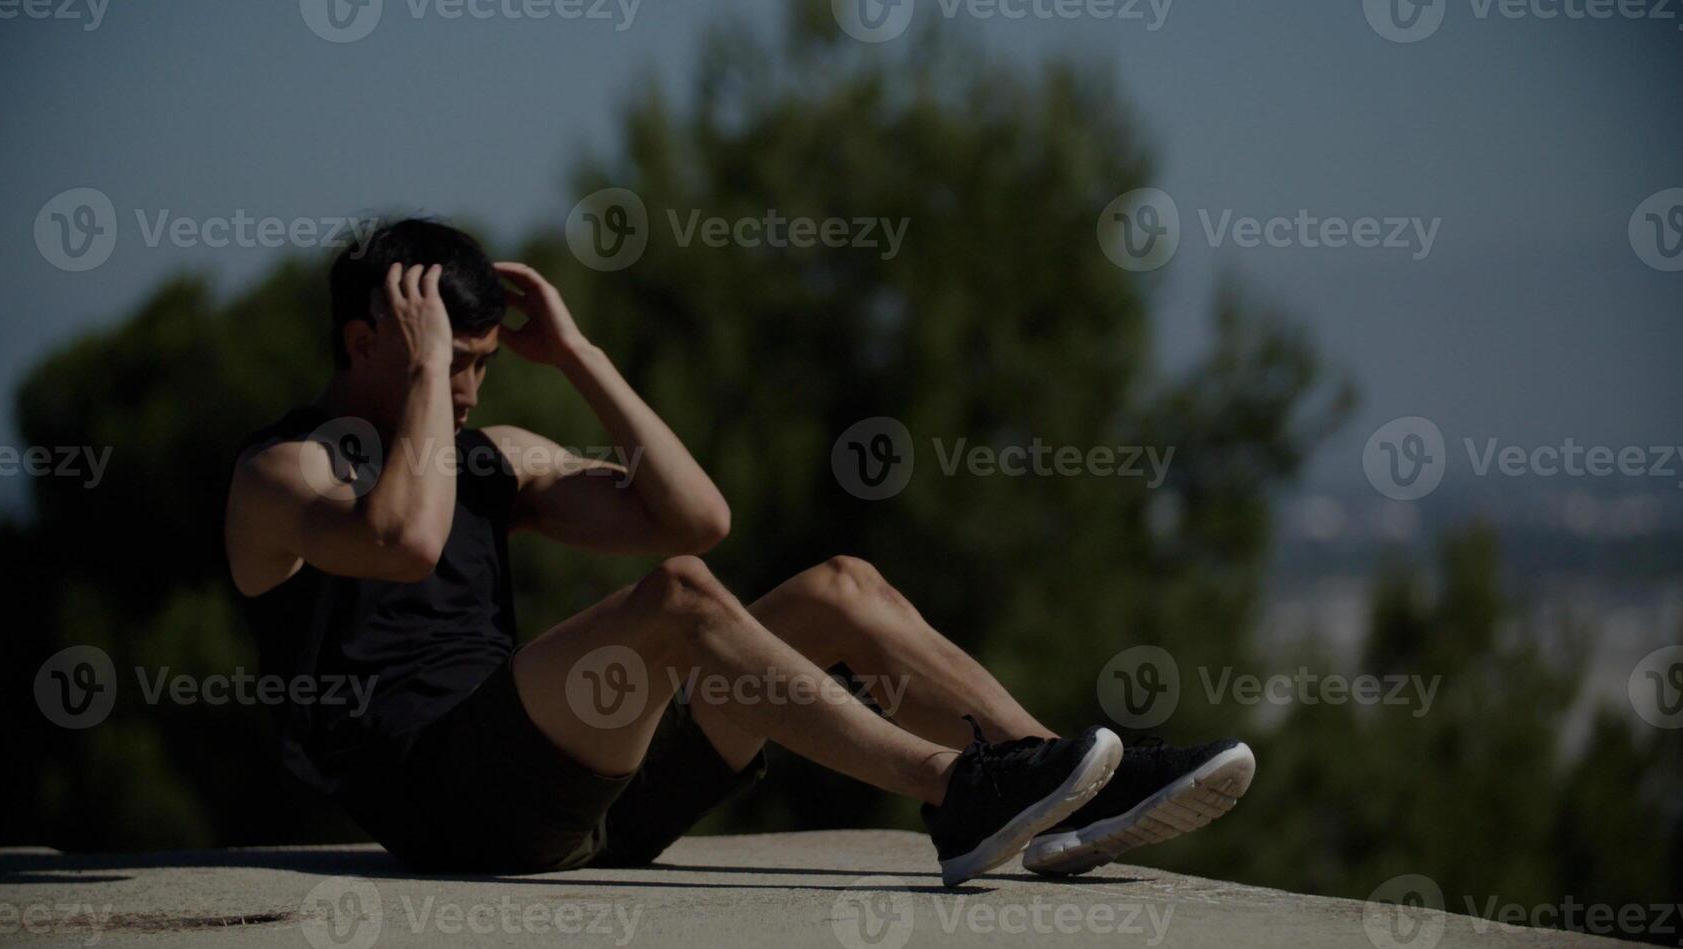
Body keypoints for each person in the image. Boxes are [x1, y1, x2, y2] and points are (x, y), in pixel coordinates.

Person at [223, 218, 1254, 887]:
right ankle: (956, 786)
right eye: (452, 363)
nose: (468, 390)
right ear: (363, 346)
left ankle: (1065, 782)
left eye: (484, 365)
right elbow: (401, 542)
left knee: (840, 586)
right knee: (676, 600)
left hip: (581, 792)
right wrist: (424, 375)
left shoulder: (486, 459)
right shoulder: (283, 477)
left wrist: (581, 359)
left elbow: (692, 515)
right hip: (451, 808)